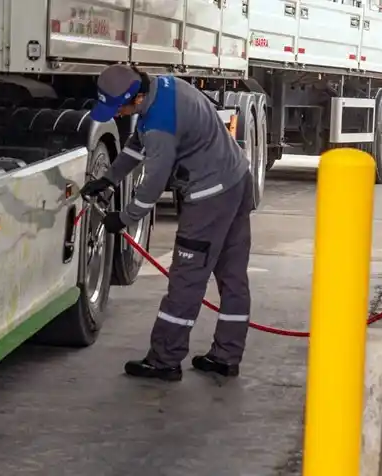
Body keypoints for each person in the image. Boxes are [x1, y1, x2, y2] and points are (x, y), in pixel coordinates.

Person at [81, 64, 255, 382]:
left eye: (119, 107)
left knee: (186, 279)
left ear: (137, 97)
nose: (117, 114)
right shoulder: (163, 89)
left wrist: (124, 217)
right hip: (237, 181)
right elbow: (137, 144)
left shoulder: (161, 125)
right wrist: (108, 179)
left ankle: (164, 360)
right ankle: (226, 356)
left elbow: (152, 183)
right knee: (233, 277)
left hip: (211, 196)